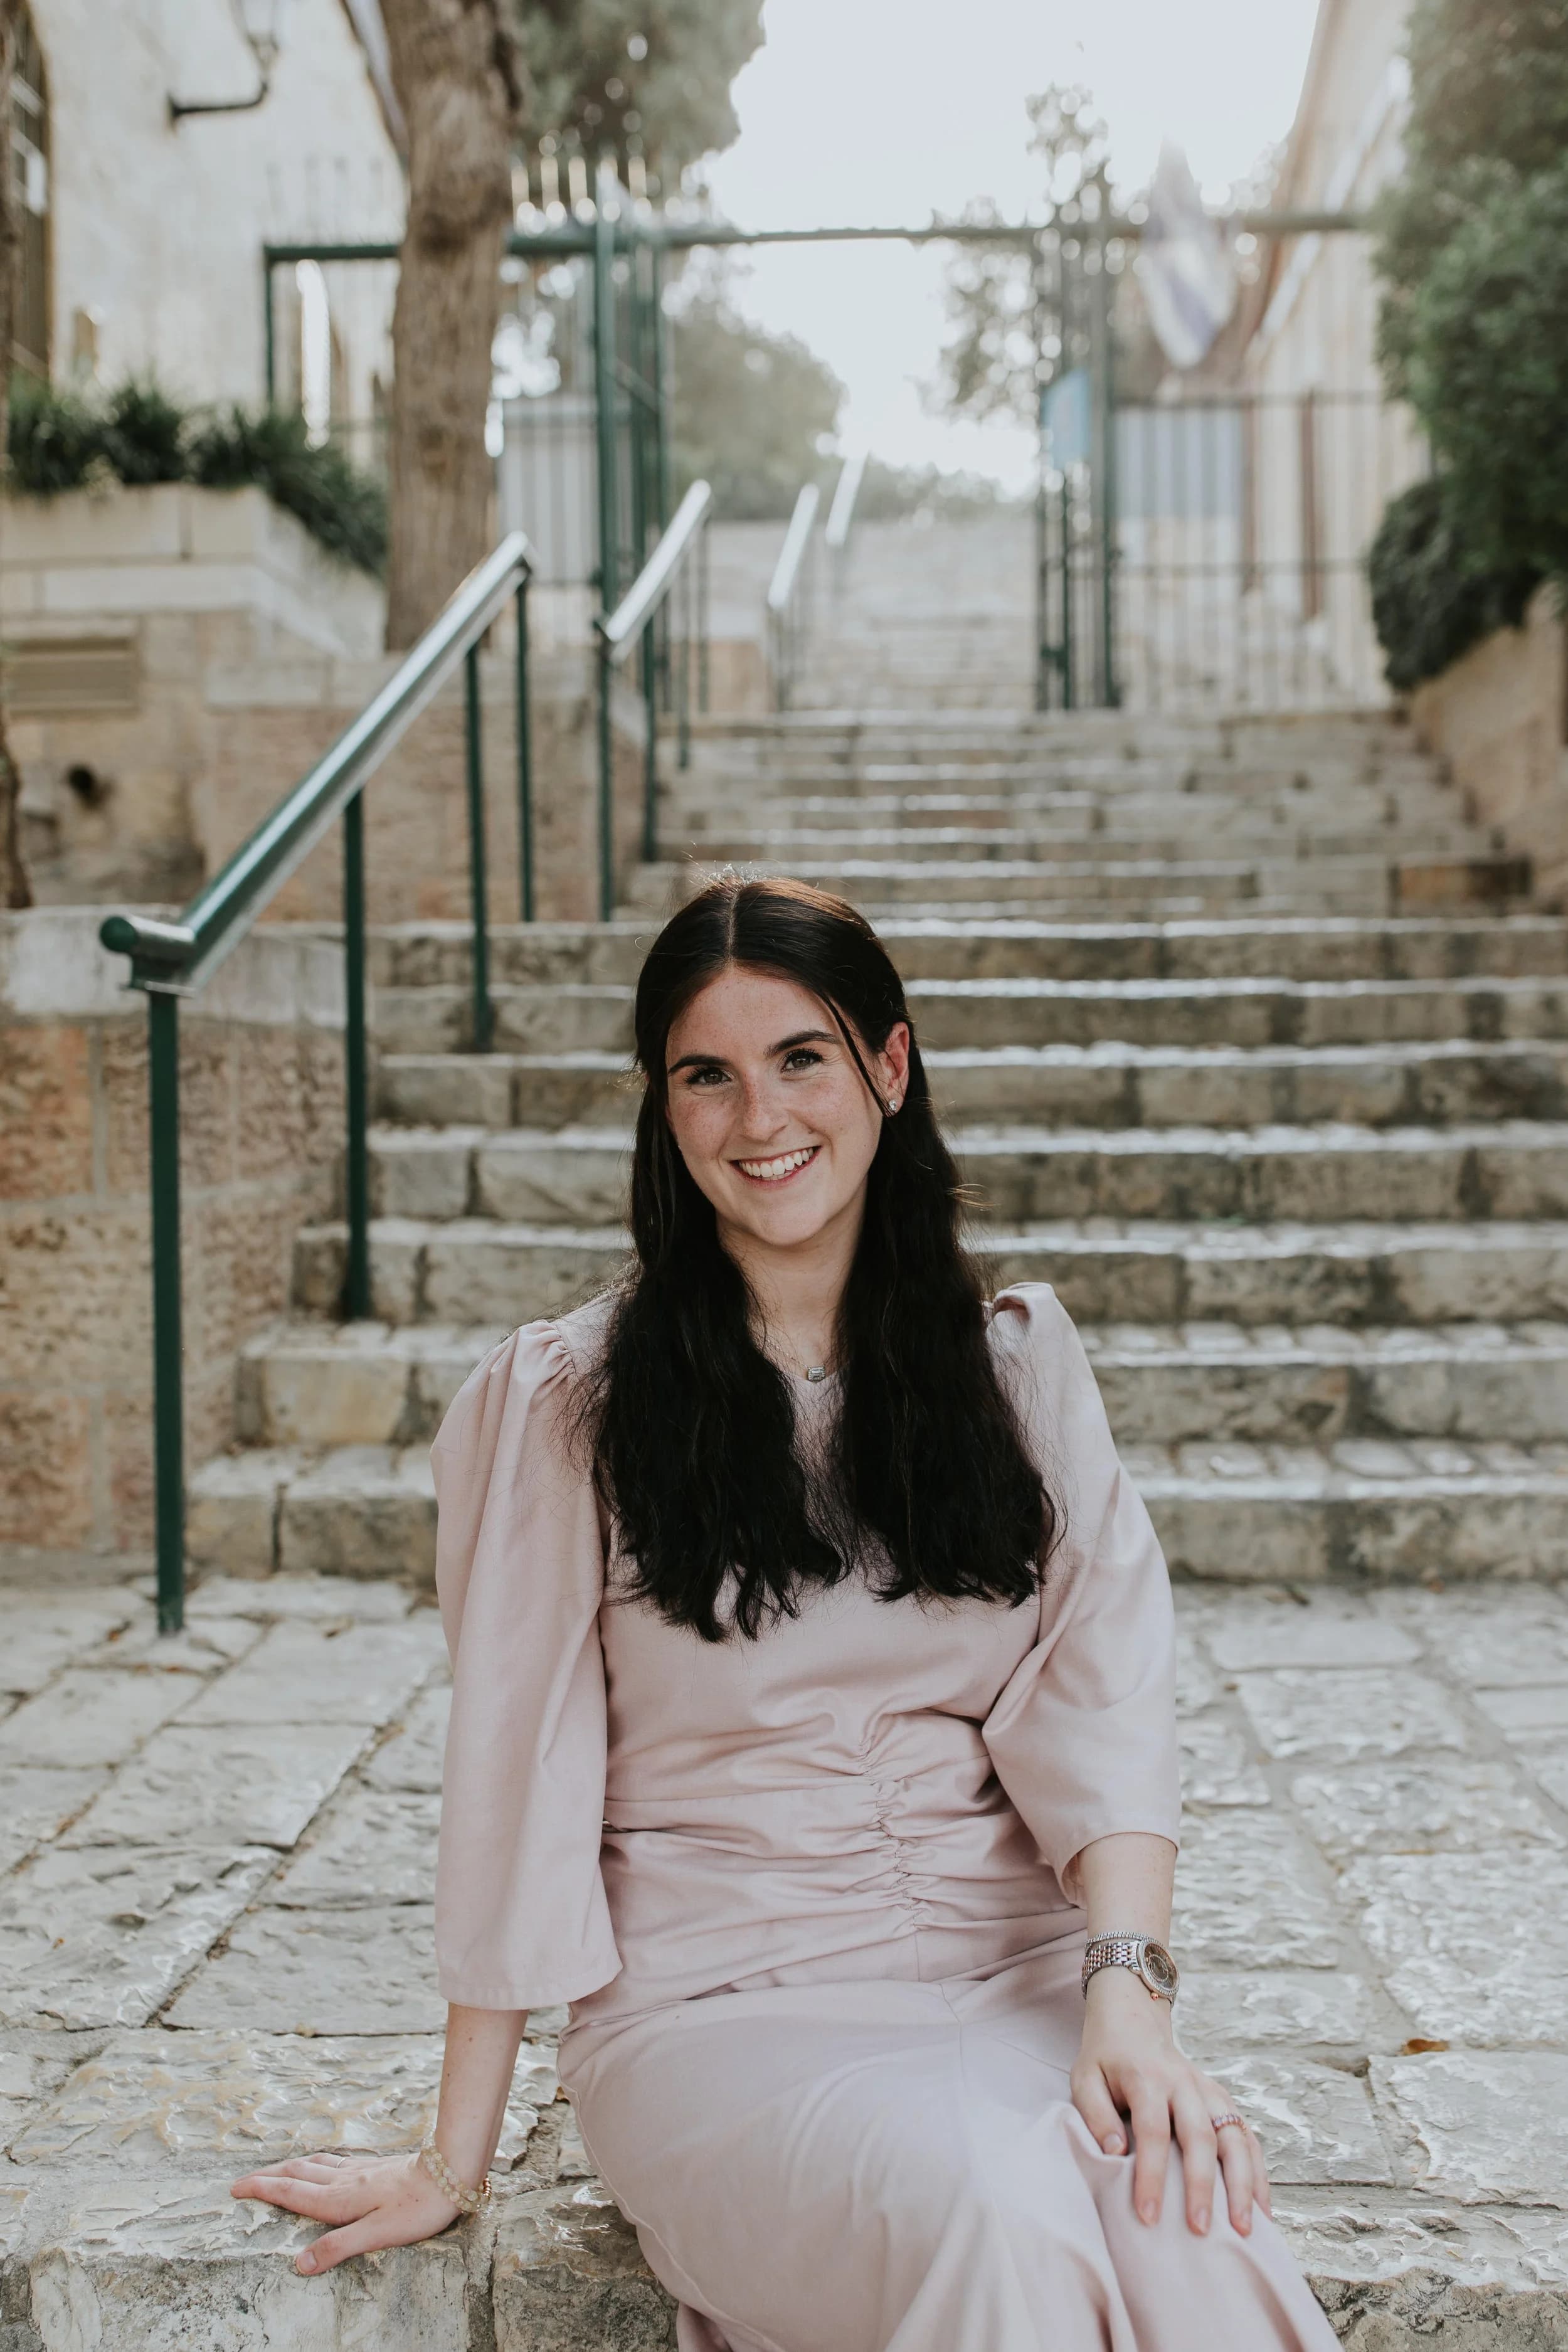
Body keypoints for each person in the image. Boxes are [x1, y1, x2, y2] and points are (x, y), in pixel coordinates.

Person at [234, 876, 1338, 2351]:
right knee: (993, 2227)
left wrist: (1126, 1997)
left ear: (888, 1066)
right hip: (719, 2014)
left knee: (1189, 2239)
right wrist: (453, 2153)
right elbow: (518, 1778)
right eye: (706, 1073)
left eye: (799, 1058)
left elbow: (1106, 1692)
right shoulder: (567, 1406)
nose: (758, 1117)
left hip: (1015, 1988)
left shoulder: (1016, 1372)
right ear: (661, 1106)